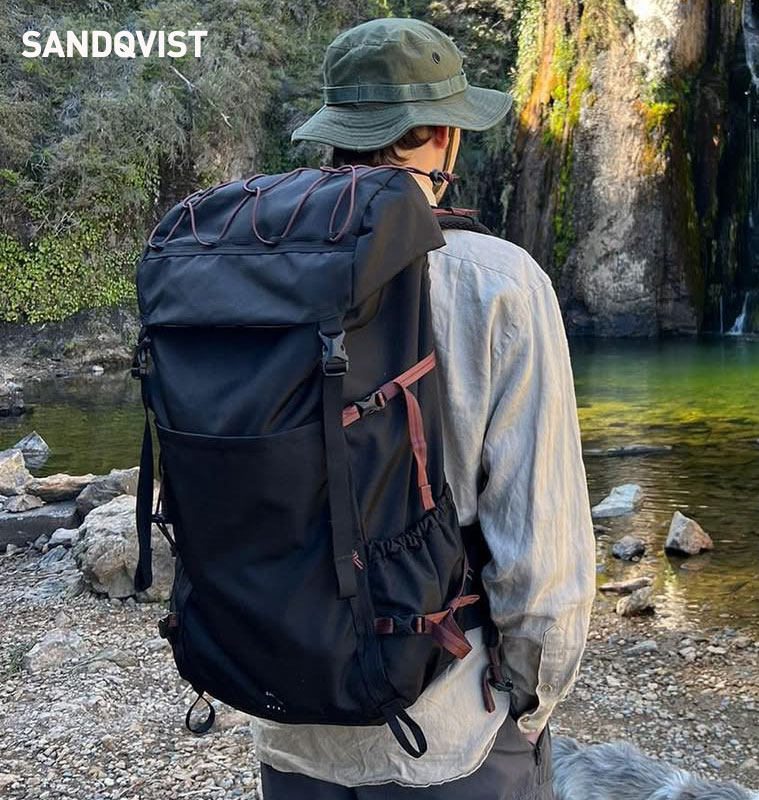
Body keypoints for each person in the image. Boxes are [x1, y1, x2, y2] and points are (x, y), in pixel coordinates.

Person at [250, 17, 596, 799]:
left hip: (287, 714)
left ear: (334, 135)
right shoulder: (498, 281)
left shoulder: (256, 266)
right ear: (444, 136)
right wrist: (528, 708)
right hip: (447, 729)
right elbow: (544, 562)